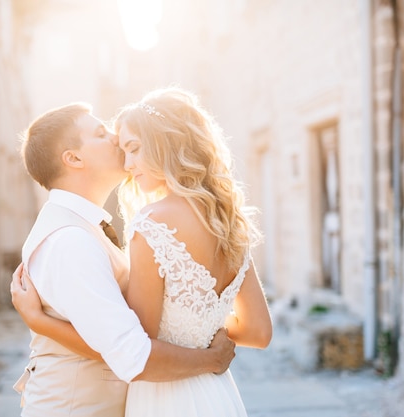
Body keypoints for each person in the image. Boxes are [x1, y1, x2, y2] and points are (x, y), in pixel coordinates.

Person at [14, 87, 273, 416]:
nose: (115, 141)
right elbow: (256, 330)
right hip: (203, 395)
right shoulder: (69, 240)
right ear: (74, 158)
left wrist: (39, 320)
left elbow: (136, 344)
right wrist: (207, 346)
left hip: (168, 396)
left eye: (132, 146)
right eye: (101, 133)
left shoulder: (147, 224)